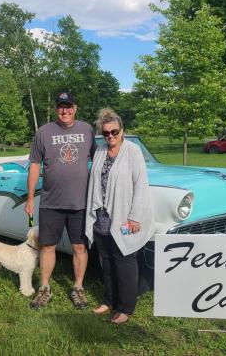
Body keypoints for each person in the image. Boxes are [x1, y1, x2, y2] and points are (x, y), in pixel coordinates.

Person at [25, 91, 96, 310]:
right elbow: (35, 165)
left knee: (80, 247)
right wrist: (29, 199)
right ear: (56, 109)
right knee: (47, 247)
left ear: (75, 108)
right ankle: (44, 289)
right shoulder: (44, 132)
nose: (64, 110)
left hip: (80, 203)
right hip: (50, 202)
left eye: (68, 106)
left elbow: (98, 159)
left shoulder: (87, 130)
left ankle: (78, 288)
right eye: (60, 107)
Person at [85, 108, 153, 324]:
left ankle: (125, 307)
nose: (110, 136)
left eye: (114, 132)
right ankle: (109, 300)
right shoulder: (101, 151)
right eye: (105, 133)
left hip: (124, 216)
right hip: (102, 215)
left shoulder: (132, 151)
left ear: (122, 131)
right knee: (106, 260)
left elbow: (140, 185)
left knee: (124, 259)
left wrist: (135, 217)